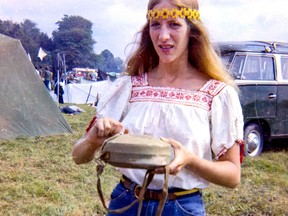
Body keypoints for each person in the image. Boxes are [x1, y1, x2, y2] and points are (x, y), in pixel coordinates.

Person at [72, 0, 244, 215]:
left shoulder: (216, 94)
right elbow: (79, 157)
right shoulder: (128, 87)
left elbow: (232, 176)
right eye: (156, 25)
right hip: (126, 203)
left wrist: (190, 160)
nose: (163, 36)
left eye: (174, 24)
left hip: (181, 208)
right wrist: (93, 140)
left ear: (192, 31)